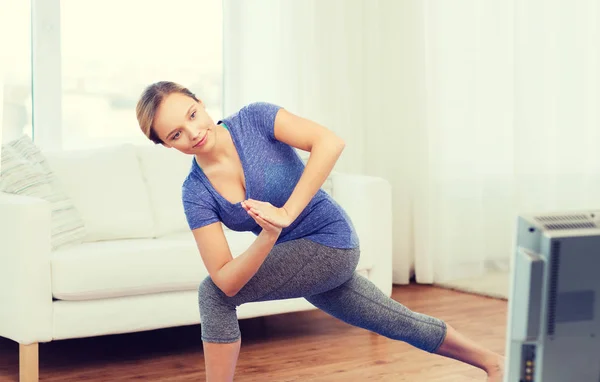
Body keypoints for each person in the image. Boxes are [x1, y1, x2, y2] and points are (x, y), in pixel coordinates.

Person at [136, 81, 505, 382]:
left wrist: (285, 213)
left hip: (330, 240)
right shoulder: (196, 193)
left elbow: (329, 142)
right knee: (393, 320)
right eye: (177, 134)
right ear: (168, 145)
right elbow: (227, 279)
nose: (194, 132)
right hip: (294, 255)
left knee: (210, 297)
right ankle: (495, 362)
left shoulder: (255, 120)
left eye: (192, 114)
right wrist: (267, 235)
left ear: (200, 101)